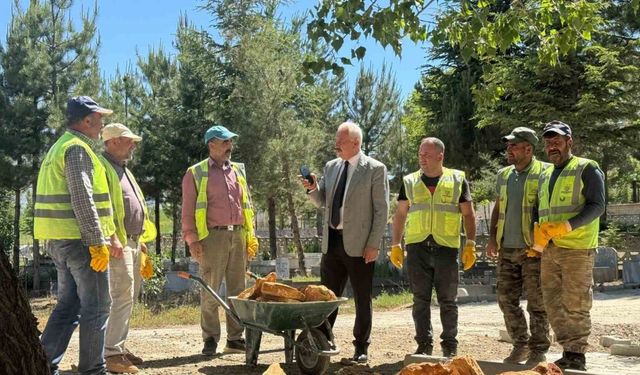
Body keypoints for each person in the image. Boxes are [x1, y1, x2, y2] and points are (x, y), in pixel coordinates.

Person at [34, 96, 116, 375]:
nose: (102, 123)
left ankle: (41, 364)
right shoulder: (77, 148)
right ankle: (94, 370)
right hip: (81, 242)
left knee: (70, 304)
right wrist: (96, 242)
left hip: (59, 240)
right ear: (86, 120)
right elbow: (83, 199)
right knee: (98, 306)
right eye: (99, 118)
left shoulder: (59, 147)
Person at [301, 121, 389, 364]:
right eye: (336, 141)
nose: (336, 145)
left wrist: (373, 243)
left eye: (341, 142)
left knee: (362, 297)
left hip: (361, 245)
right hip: (332, 242)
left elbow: (381, 211)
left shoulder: (374, 169)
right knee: (326, 296)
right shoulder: (331, 166)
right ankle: (322, 341)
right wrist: (312, 188)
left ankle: (361, 347)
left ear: (356, 143)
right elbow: (322, 201)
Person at [390, 137, 476, 358]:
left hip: (446, 248)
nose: (422, 159)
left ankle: (449, 345)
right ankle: (424, 345)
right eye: (420, 154)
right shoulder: (409, 181)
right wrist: (396, 244)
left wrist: (470, 244)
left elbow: (468, 213)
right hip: (417, 248)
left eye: (427, 155)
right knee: (420, 300)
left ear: (440, 156)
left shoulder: (457, 179)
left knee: (448, 300)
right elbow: (400, 214)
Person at [533, 121, 605, 371]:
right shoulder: (545, 174)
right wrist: (537, 238)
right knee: (552, 302)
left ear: (569, 142)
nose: (552, 146)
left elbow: (597, 205)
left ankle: (577, 355)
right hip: (550, 249)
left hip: (577, 248)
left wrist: (567, 226)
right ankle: (567, 350)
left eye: (557, 141)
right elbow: (539, 208)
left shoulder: (586, 168)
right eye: (549, 142)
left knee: (575, 302)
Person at [181, 124, 259, 356]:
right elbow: (187, 211)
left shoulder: (238, 171)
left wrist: (250, 237)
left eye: (230, 142)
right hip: (211, 237)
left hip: (238, 234)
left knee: (238, 289)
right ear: (211, 144)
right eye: (225, 142)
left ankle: (235, 338)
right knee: (211, 289)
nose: (230, 146)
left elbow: (248, 207)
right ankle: (211, 339)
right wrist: (192, 240)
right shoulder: (195, 173)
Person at [485, 127, 551, 365]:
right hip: (507, 249)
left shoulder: (546, 172)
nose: (509, 149)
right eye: (508, 145)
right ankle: (520, 344)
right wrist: (492, 238)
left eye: (514, 145)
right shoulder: (503, 174)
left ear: (528, 149)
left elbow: (549, 210)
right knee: (505, 299)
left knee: (537, 302)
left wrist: (543, 243)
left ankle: (539, 349)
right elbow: (498, 207)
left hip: (533, 250)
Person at [100, 123, 157, 374]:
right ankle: (112, 353)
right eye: (128, 140)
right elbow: (101, 207)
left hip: (132, 241)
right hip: (116, 244)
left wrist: (141, 239)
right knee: (120, 296)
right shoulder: (102, 167)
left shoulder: (123, 169)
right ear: (112, 141)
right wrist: (111, 236)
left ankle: (118, 347)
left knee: (128, 296)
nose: (133, 144)